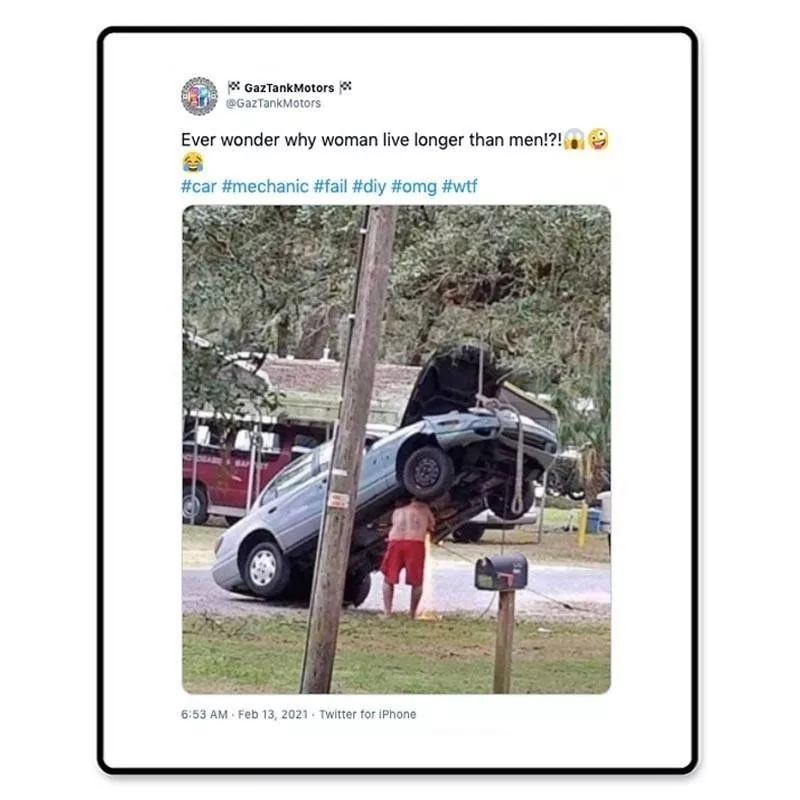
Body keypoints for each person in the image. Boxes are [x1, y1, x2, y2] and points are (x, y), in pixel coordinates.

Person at [380, 497, 435, 619]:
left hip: (395, 542)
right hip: (415, 544)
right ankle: (412, 614)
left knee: (389, 578)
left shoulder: (397, 511)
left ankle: (387, 612)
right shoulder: (424, 509)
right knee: (417, 581)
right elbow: (432, 525)